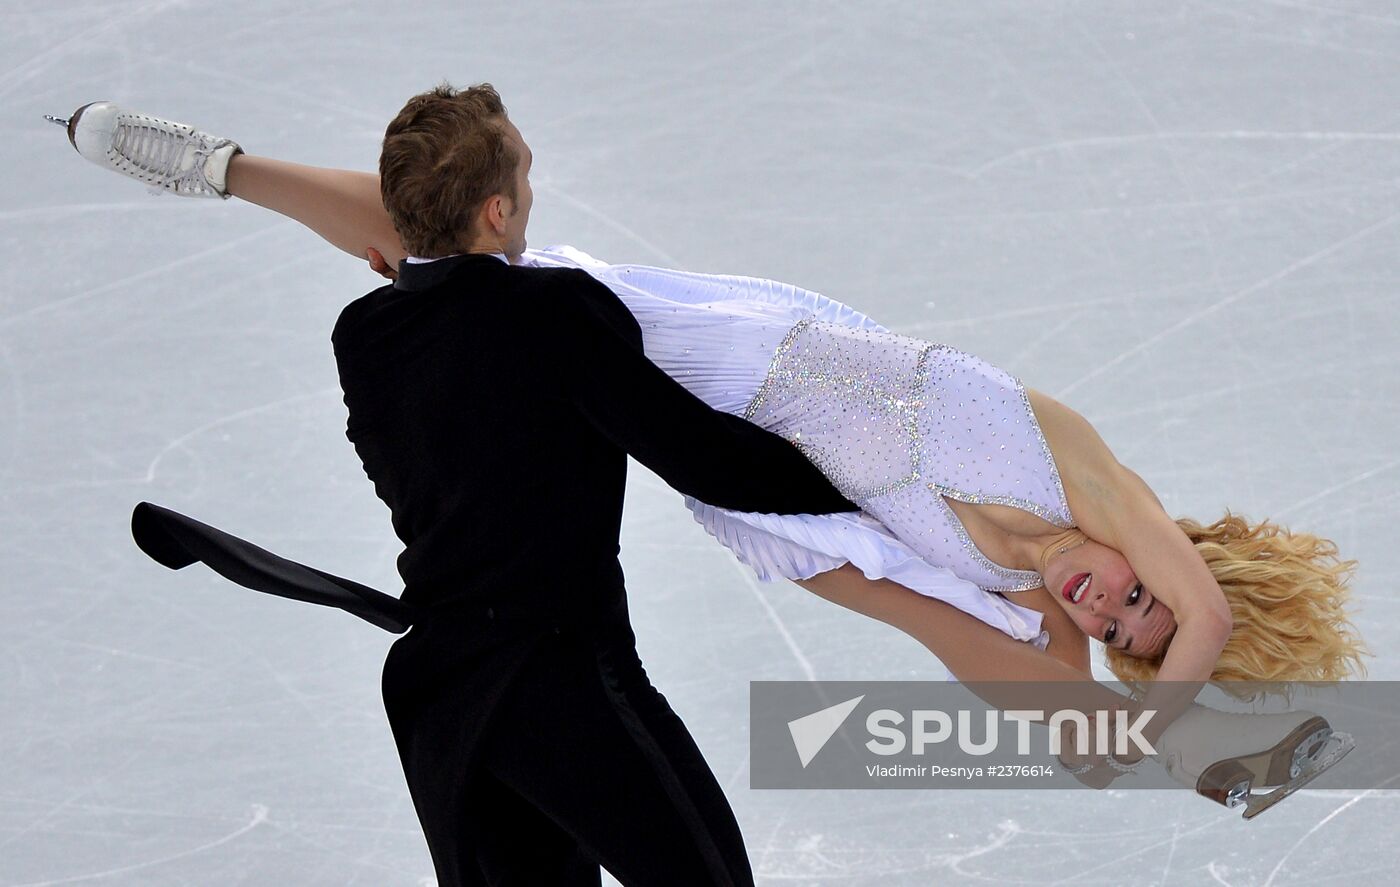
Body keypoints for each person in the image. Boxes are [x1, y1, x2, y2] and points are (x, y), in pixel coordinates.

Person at [54, 90, 1366, 811]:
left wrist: (1188, 752)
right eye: (1146, 594)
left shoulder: (1010, 622)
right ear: (1171, 547)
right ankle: (222, 168)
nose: (1118, 606)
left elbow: (1085, 745)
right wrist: (1185, 683)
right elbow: (1192, 611)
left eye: (1123, 634)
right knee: (468, 260)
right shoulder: (1083, 468)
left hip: (743, 471)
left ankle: (228, 170)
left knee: (456, 281)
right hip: (753, 346)